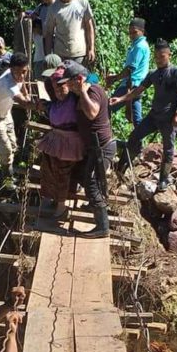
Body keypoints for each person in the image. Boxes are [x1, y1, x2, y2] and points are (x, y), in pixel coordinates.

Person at [114, 39, 177, 191]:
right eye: (156, 57)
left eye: (162, 56)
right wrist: (120, 98)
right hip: (154, 116)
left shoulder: (176, 72)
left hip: (168, 118)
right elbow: (138, 90)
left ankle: (164, 180)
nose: (159, 59)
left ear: (169, 55)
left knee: (168, 148)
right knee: (134, 137)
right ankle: (120, 169)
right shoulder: (153, 74)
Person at [60, 60, 116, 238]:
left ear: (79, 79)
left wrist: (83, 91)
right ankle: (96, 203)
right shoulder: (79, 93)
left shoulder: (92, 91)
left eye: (69, 82)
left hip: (102, 147)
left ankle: (102, 226)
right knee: (82, 175)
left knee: (91, 183)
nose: (67, 86)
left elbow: (92, 113)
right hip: (92, 147)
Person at [37, 68, 85, 221]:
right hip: (55, 139)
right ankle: (50, 199)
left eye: (62, 86)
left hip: (70, 142)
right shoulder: (55, 102)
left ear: (69, 85)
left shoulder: (74, 99)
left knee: (62, 174)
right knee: (47, 169)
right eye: (55, 87)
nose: (58, 90)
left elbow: (90, 80)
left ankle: (61, 207)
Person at [0, 52, 31, 185]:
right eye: (18, 72)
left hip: (5, 112)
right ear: (11, 69)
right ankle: (6, 178)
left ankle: (7, 167)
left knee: (13, 145)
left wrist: (27, 94)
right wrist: (38, 105)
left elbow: (23, 85)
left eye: (24, 71)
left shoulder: (20, 75)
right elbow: (22, 102)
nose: (21, 75)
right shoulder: (6, 83)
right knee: (6, 150)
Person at [106, 18, 150, 127]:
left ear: (142, 32)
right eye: (130, 32)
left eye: (134, 32)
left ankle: (102, 137)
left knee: (108, 108)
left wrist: (115, 78)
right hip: (137, 84)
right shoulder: (137, 45)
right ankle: (138, 142)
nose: (131, 35)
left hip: (132, 84)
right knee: (136, 117)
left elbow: (130, 69)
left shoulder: (139, 46)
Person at [43, 0, 95, 65]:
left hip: (79, 54)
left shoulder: (82, 3)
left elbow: (89, 27)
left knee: (79, 78)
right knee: (61, 79)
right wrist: (48, 55)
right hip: (60, 56)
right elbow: (49, 33)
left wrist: (91, 49)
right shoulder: (53, 8)